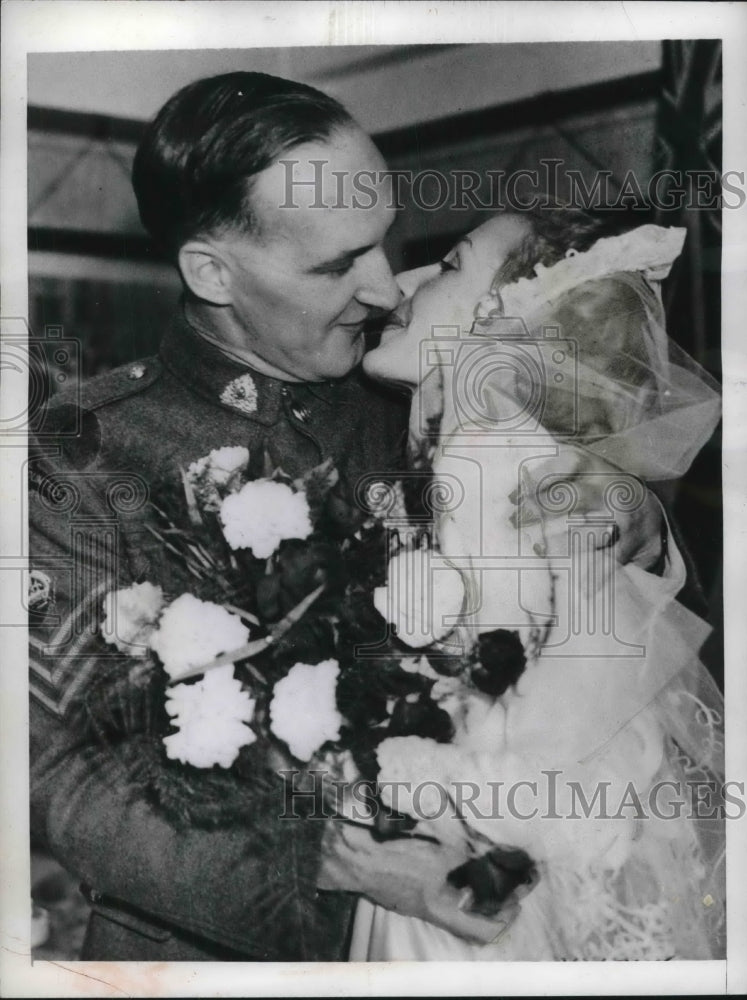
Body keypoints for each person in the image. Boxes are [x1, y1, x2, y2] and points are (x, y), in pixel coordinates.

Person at [29, 72, 665, 962]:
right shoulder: (79, 455)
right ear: (211, 271)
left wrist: (629, 513)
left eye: (386, 242)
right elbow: (61, 777)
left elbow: (612, 637)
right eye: (335, 265)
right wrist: (336, 858)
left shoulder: (423, 389)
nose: (383, 289)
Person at [350, 209, 724, 960]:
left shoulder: (491, 452)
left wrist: (462, 777)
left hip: (510, 794)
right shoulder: (473, 439)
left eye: (448, 264)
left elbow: (588, 645)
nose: (403, 281)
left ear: (496, 320)